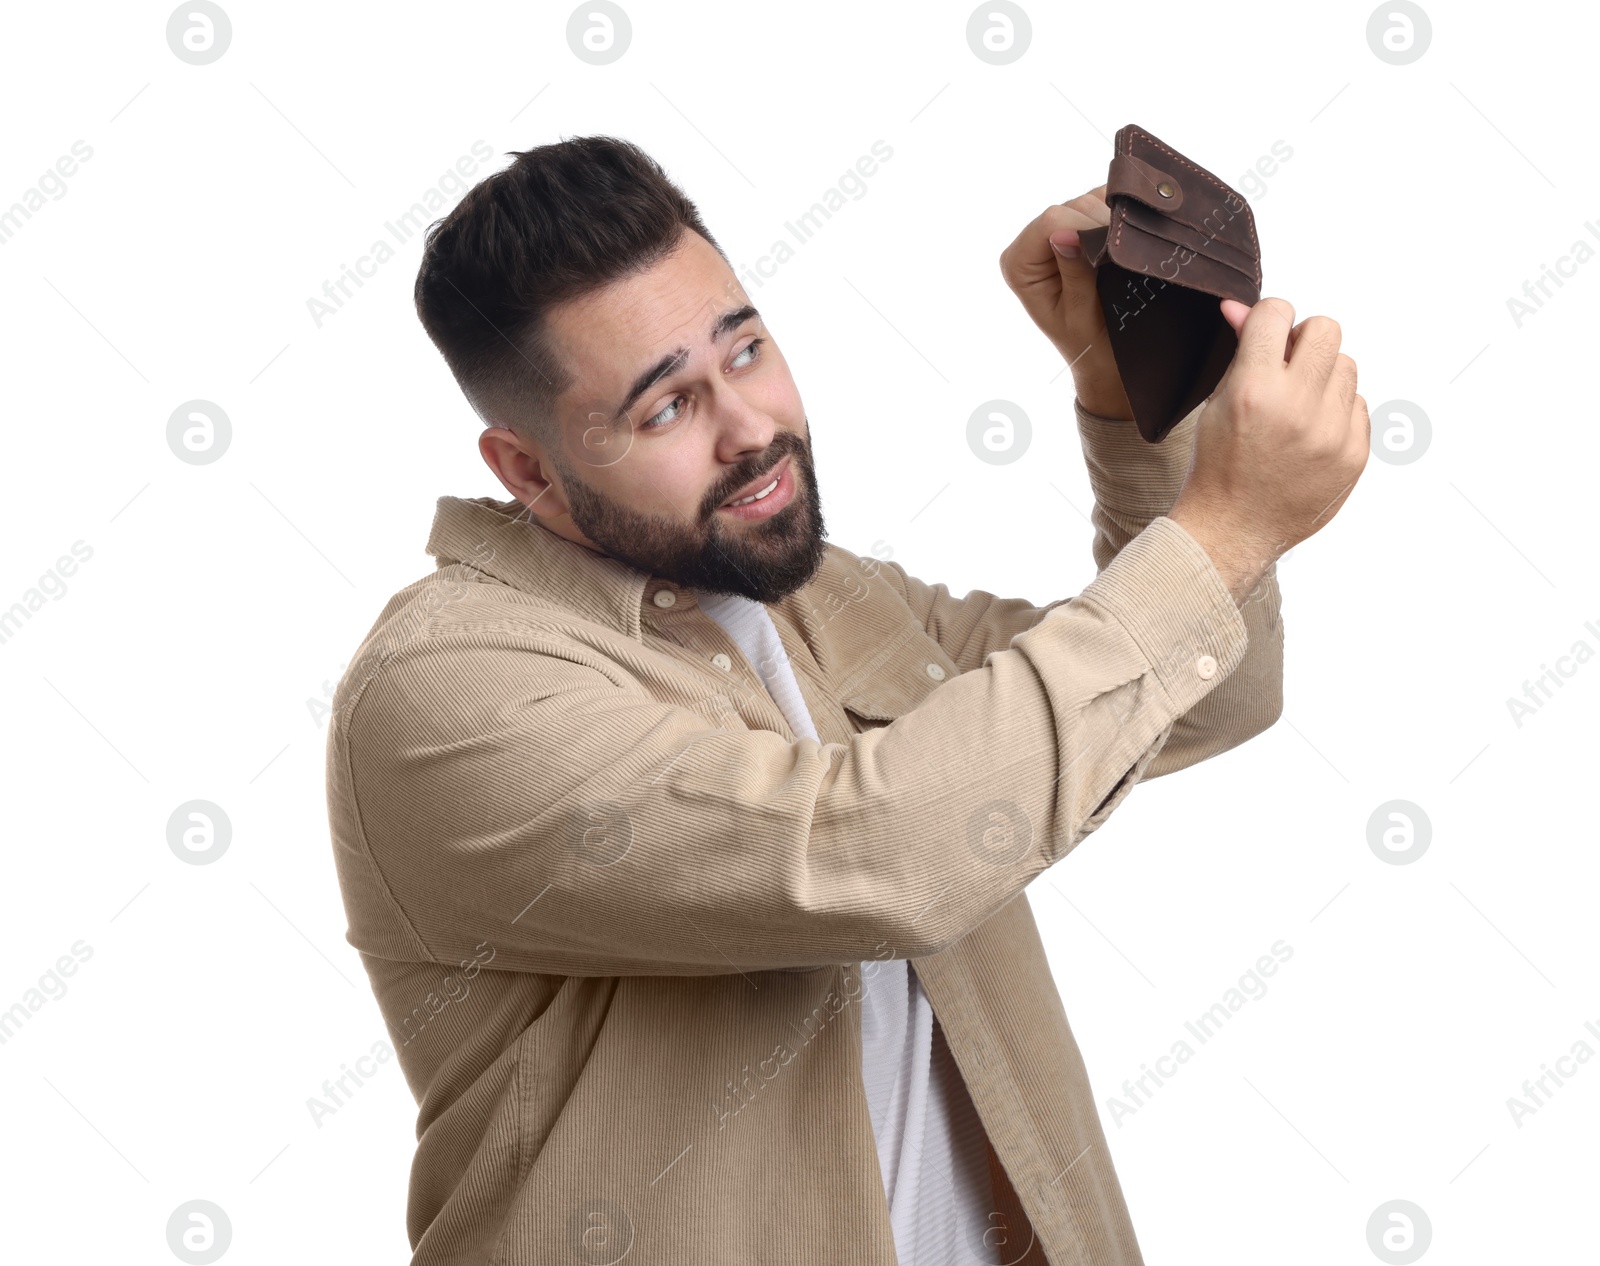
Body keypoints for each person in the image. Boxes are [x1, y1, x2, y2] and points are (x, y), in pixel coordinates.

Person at [323, 134, 1368, 1265]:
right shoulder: (446, 692)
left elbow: (1202, 699)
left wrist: (1125, 413)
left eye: (746, 349)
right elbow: (882, 852)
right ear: (526, 471)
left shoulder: (818, 597)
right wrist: (1222, 531)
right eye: (665, 408)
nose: (750, 428)